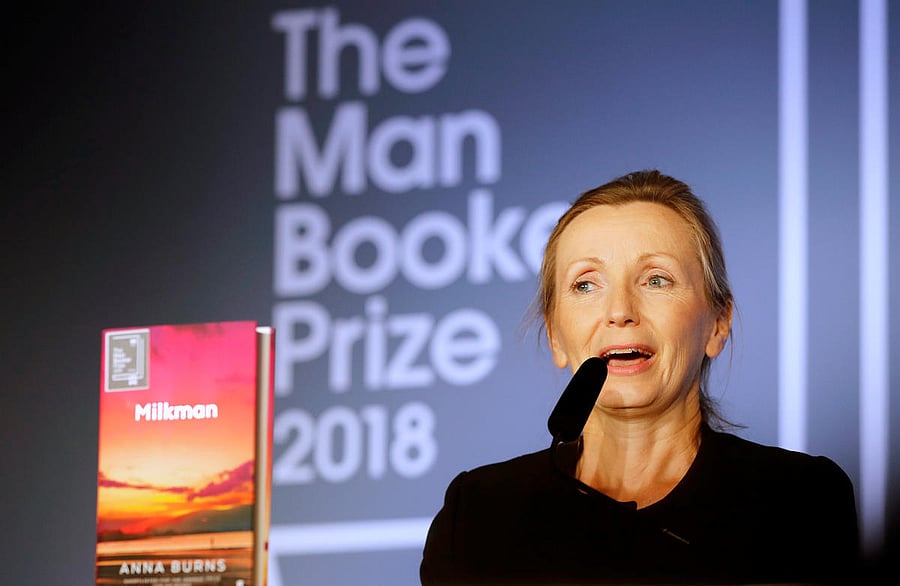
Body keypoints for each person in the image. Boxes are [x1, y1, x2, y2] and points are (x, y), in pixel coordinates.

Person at [419, 170, 860, 585]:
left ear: (717, 324)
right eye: (586, 285)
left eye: (656, 280)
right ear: (554, 335)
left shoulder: (797, 499)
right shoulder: (478, 513)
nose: (620, 312)